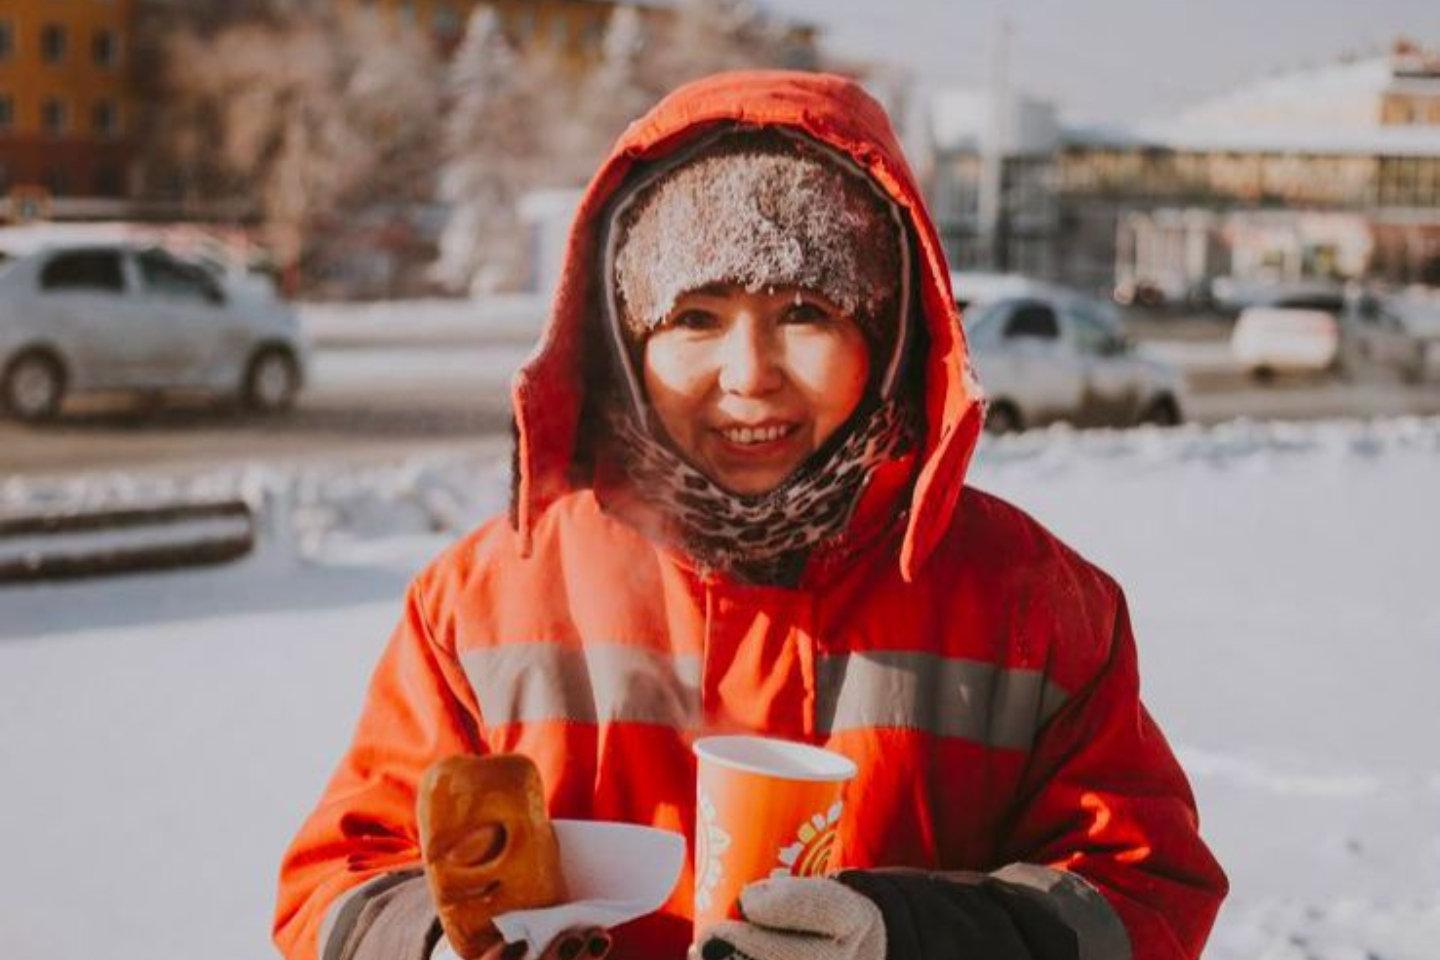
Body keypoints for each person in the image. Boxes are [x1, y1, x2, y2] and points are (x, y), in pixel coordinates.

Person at [273, 71, 1226, 960]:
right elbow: (338, 880)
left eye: (807, 312)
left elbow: (1144, 895)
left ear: (887, 331)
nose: (748, 375)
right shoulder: (486, 603)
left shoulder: (1036, 607)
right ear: (627, 339)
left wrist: (908, 935)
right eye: (695, 318)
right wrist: (440, 942)